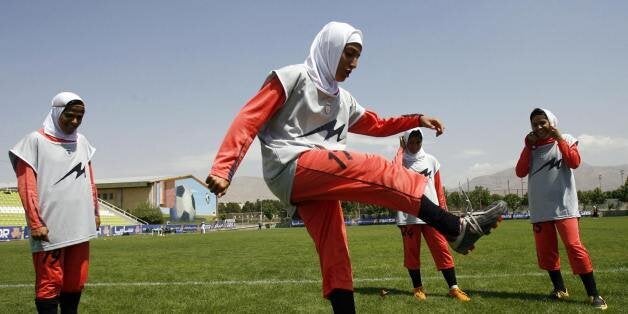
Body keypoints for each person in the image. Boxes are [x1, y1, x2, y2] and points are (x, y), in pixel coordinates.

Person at [206, 22, 506, 313]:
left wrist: (416, 119)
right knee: (374, 168)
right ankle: (455, 227)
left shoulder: (343, 100)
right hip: (291, 166)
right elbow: (249, 117)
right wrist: (224, 167)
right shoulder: (291, 77)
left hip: (320, 178)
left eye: (358, 56)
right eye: (349, 53)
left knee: (336, 250)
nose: (354, 63)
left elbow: (376, 124)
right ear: (330, 48)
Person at [9, 92, 99, 314]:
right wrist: (35, 222)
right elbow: (27, 185)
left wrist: (94, 211)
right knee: (50, 281)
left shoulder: (82, 142)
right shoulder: (34, 142)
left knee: (75, 280)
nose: (75, 121)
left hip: (80, 224)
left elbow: (90, 180)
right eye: (70, 115)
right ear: (57, 112)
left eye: (80, 116)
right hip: (50, 226)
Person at [515, 108, 607, 310]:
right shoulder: (532, 147)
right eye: (534, 124)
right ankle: (560, 288)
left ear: (552, 122)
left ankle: (594, 294)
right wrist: (527, 147)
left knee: (575, 248)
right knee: (547, 252)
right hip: (540, 210)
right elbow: (520, 171)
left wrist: (559, 139)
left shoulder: (566, 138)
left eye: (542, 122)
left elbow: (574, 162)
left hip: (564, 206)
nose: (538, 127)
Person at [394, 128, 470, 302]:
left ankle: (454, 288)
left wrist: (444, 212)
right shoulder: (401, 161)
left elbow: (438, 188)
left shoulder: (431, 160)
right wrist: (400, 150)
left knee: (442, 249)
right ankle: (418, 288)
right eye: (410, 142)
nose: (414, 145)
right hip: (408, 215)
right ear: (405, 142)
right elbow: (393, 174)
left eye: (417, 142)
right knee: (411, 253)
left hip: (433, 215)